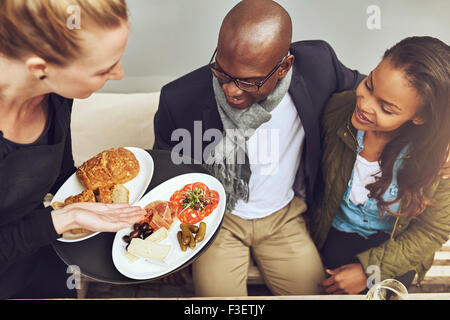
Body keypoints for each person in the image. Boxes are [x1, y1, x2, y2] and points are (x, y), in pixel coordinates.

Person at [153, 0, 364, 296]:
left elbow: (371, 93)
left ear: (284, 66)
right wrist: (173, 246)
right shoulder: (179, 98)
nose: (230, 90)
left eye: (248, 82)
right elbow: (167, 174)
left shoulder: (319, 64)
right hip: (219, 220)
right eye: (222, 73)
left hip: (284, 216)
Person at [0, 0, 146, 299]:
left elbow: (59, 178)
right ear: (41, 68)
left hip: (47, 258)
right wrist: (65, 218)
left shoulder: (55, 95)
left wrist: (100, 195)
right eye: (104, 69)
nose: (119, 74)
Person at [309, 36, 450, 295]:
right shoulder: (336, 112)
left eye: (386, 108)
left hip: (397, 247)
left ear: (419, 117)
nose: (363, 104)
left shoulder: (440, 159)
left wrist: (368, 271)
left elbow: (432, 231)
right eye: (370, 84)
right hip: (333, 235)